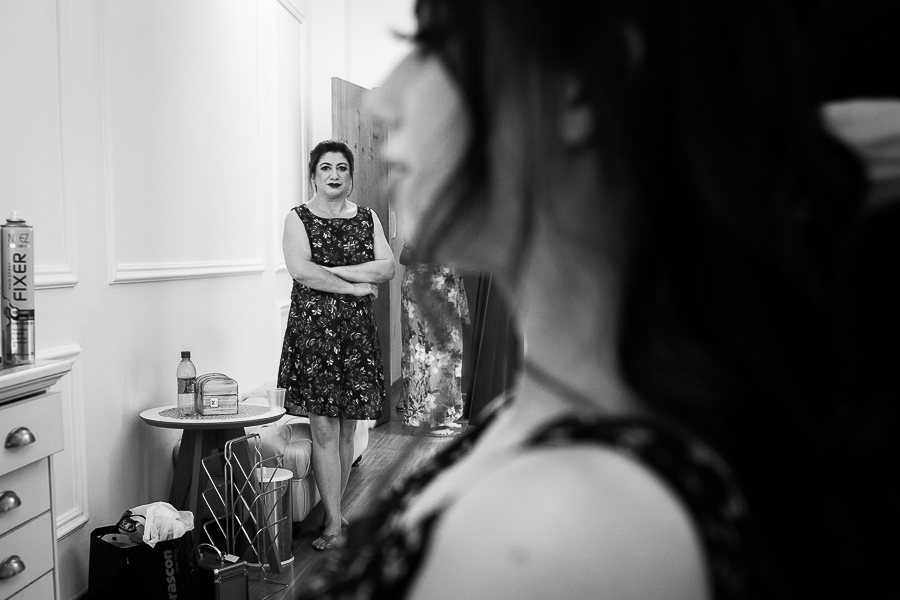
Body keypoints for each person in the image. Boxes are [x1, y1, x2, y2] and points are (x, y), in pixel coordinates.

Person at [299, 1, 898, 597]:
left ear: (580, 91)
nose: (382, 102)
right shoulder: (550, 416)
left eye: (433, 44)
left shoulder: (562, 534)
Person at [277, 140, 395, 551]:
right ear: (313, 175)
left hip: (355, 335)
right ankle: (332, 523)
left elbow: (387, 267)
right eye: (325, 167)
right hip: (314, 334)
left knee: (346, 428)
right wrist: (356, 286)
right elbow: (301, 271)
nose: (334, 174)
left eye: (341, 168)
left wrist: (333, 269)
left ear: (350, 176)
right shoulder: (298, 218)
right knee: (324, 427)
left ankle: (335, 509)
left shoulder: (367, 217)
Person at [397, 245, 470, 436]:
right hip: (425, 287)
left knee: (448, 353)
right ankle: (426, 421)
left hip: (446, 285)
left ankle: (443, 415)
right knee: (426, 353)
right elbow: (405, 255)